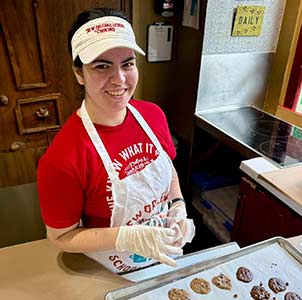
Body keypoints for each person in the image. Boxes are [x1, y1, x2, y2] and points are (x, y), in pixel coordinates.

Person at [37, 7, 194, 274]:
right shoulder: (62, 158)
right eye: (102, 65)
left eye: (128, 63)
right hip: (108, 269)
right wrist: (126, 237)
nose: (119, 79)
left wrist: (177, 205)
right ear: (78, 73)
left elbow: (169, 174)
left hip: (163, 256)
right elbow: (61, 236)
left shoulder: (153, 116)